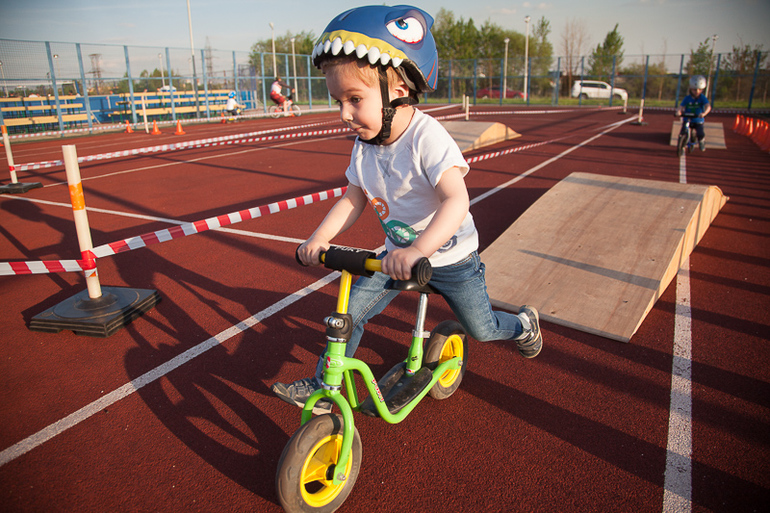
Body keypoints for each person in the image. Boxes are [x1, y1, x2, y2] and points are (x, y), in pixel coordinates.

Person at [272, 5, 542, 414]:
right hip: (396, 257)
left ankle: (523, 324)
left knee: (482, 330)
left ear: (396, 90)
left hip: (451, 258)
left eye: (354, 99)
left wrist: (420, 251)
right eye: (338, 101)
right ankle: (324, 388)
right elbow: (353, 197)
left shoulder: (426, 138)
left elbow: (457, 200)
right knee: (347, 314)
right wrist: (319, 239)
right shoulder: (365, 145)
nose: (344, 114)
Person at [676, 75, 711, 151]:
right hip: (687, 118)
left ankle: (701, 141)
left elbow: (708, 106)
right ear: (691, 89)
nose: (697, 91)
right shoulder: (687, 98)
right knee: (683, 132)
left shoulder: (702, 98)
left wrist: (704, 113)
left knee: (700, 133)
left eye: (699, 89)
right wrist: (678, 111)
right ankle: (681, 145)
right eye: (695, 90)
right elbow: (681, 106)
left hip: (698, 120)